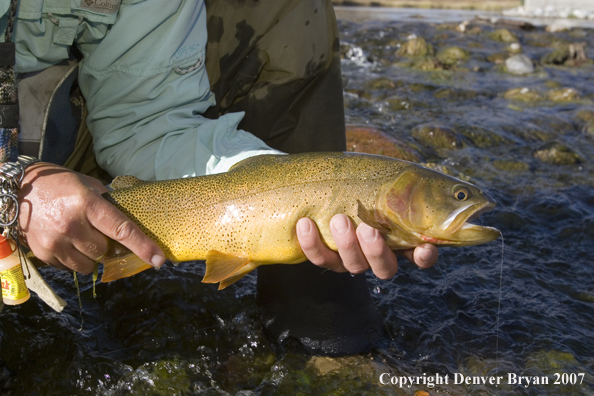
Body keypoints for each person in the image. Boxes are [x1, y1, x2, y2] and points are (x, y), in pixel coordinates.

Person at [1, 0, 438, 355]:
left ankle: (319, 329)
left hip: (53, 132)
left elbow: (147, 122)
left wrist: (277, 186)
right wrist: (14, 192)